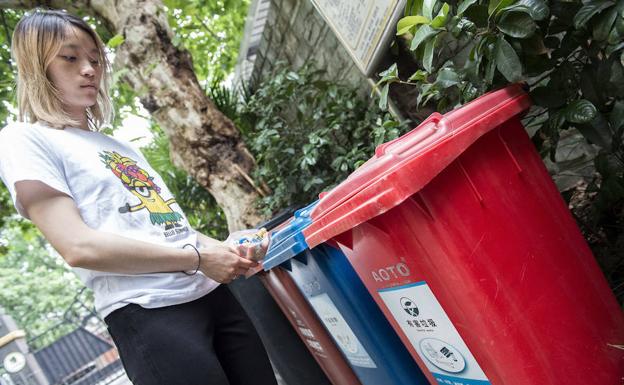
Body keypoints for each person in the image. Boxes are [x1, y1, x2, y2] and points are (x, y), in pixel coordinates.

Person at [0, 9, 278, 385]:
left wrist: (228, 249)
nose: (89, 70)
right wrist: (197, 259)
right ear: (37, 65)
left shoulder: (118, 147)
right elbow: (78, 247)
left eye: (96, 59)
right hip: (149, 313)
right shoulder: (24, 139)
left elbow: (170, 229)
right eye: (70, 57)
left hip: (212, 298)